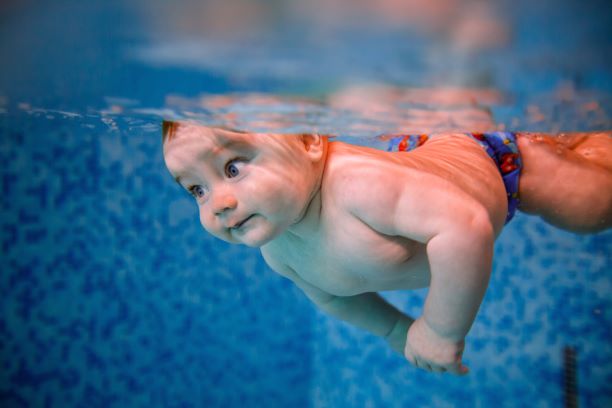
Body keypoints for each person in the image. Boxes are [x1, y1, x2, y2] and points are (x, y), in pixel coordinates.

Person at [161, 120, 612, 375]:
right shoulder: (278, 248)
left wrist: (439, 330)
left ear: (311, 141)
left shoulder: (359, 185)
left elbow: (467, 227)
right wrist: (396, 330)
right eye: (196, 189)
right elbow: (331, 296)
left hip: (492, 155)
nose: (218, 203)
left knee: (595, 203)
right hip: (421, 148)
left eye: (233, 168)